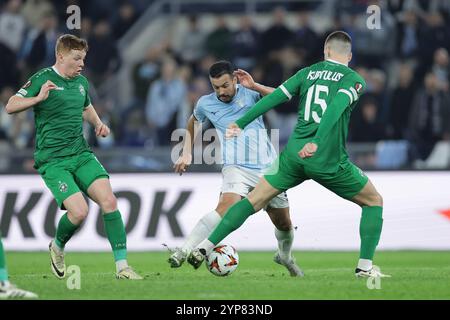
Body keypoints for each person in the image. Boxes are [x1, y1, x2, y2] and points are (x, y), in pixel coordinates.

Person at [188, 32, 389, 279]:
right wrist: (317, 141)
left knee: (252, 201)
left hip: (292, 156)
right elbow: (335, 108)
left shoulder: (306, 73)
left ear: (325, 51)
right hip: (327, 159)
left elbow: (274, 98)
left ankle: (205, 247)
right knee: (373, 201)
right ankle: (365, 268)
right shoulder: (354, 79)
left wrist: (241, 122)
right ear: (349, 55)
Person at [5, 34, 142, 280]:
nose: (81, 64)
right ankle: (57, 246)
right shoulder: (42, 78)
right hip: (53, 160)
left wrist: (99, 123)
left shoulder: (81, 83)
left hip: (80, 154)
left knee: (109, 202)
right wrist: (37, 99)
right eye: (76, 58)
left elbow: (85, 106)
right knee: (79, 212)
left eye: (83, 59)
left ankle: (123, 267)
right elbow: (11, 105)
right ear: (60, 56)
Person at [168, 61, 303, 276]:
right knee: (225, 206)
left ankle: (284, 256)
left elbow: (283, 97)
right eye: (215, 87)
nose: (221, 92)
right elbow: (193, 121)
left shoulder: (250, 93)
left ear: (234, 80)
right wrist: (186, 151)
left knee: (283, 223)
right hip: (236, 167)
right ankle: (183, 251)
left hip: (268, 169)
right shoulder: (206, 103)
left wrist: (256, 85)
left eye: (225, 86)